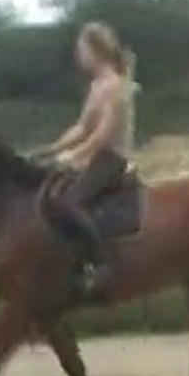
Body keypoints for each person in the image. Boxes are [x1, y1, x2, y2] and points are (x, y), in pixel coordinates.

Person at [37, 21, 135, 296]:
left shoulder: (115, 86)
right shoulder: (96, 86)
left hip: (111, 158)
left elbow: (103, 134)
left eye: (81, 49)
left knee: (70, 201)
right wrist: (52, 149)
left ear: (96, 50)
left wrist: (74, 155)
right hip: (95, 156)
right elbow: (82, 127)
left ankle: (101, 264)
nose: (78, 55)